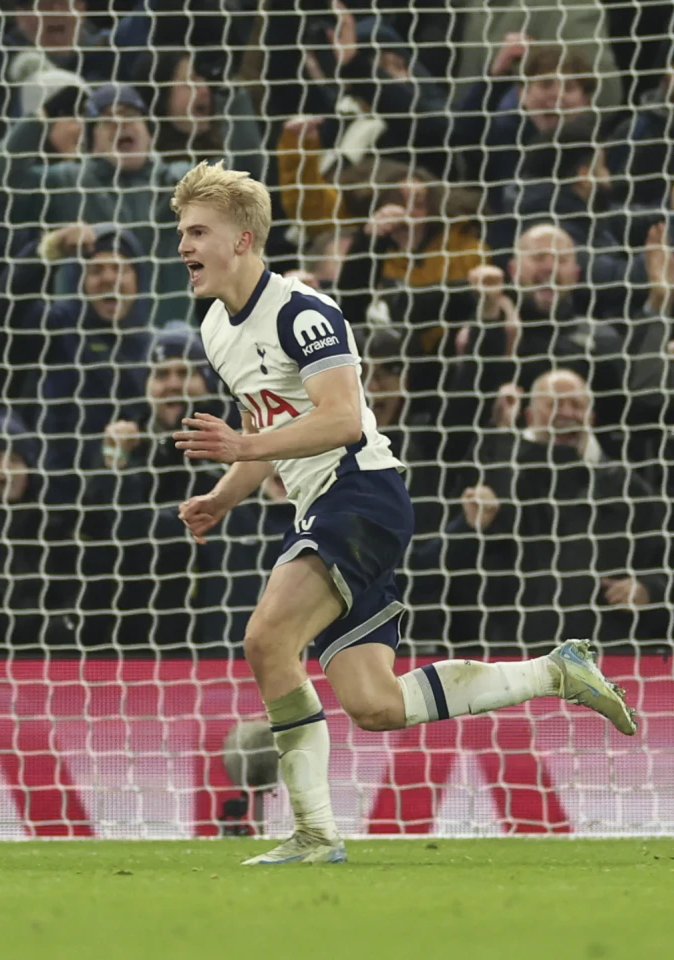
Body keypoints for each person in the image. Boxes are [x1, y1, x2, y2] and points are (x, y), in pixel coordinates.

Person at [167, 162, 637, 866]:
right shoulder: (214, 329)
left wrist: (247, 444)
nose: (182, 245)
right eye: (180, 232)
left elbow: (343, 418)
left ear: (242, 239)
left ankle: (314, 835)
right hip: (323, 506)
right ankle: (556, 672)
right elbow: (271, 430)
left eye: (197, 231)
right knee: (374, 704)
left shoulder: (304, 313)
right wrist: (224, 494)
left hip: (359, 493)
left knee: (267, 640)